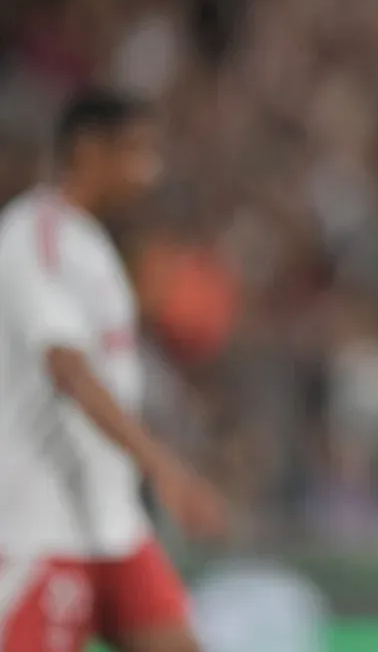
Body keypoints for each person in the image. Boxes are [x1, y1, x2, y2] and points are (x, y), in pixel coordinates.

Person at [0, 88, 227, 652]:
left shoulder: (92, 245)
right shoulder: (35, 236)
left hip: (113, 522)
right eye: (135, 151)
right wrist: (162, 466)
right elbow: (67, 368)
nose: (148, 171)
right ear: (87, 150)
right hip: (41, 525)